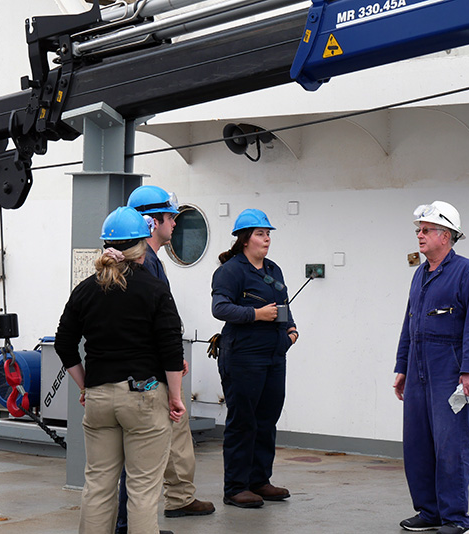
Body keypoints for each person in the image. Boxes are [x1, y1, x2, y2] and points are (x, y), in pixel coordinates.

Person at [54, 206, 186, 534]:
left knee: (98, 486)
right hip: (143, 396)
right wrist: (175, 397)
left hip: (99, 399)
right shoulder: (154, 288)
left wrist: (86, 386)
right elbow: (171, 348)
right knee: (142, 491)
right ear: (143, 245)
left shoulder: (85, 290)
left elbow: (64, 344)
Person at [111, 185, 214, 532]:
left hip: (135, 373)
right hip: (146, 378)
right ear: (151, 222)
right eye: (170, 217)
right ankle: (133, 525)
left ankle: (138, 520)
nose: (174, 224)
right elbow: (153, 324)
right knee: (141, 459)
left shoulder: (148, 263)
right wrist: (169, 369)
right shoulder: (146, 267)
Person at [393, 201, 469, 534]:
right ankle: (429, 511)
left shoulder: (468, 272)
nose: (419, 235)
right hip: (418, 370)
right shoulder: (420, 273)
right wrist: (401, 366)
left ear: (445, 236)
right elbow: (410, 323)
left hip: (450, 372)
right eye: (418, 230)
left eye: (426, 230)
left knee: (451, 445)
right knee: (417, 443)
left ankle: (456, 518)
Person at [211, 208, 299, 508]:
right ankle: (235, 487)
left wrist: (291, 331)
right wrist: (255, 314)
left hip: (274, 355)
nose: (267, 239)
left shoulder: (273, 270)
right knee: (243, 421)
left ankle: (259, 481)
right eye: (261, 234)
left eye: (268, 234)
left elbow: (283, 304)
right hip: (243, 357)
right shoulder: (231, 271)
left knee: (267, 418)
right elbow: (220, 308)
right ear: (245, 238)